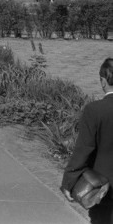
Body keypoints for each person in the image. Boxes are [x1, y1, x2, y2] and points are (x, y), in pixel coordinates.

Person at [61, 58, 113, 222]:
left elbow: (84, 149)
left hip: (103, 188)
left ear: (103, 81)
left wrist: (68, 182)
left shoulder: (95, 110)